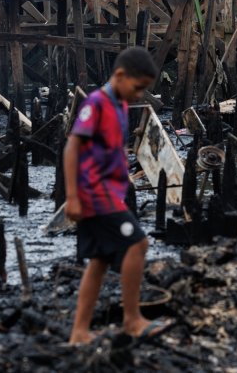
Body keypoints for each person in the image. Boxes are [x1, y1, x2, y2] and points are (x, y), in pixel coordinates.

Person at [64, 46, 170, 346]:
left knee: (98, 261)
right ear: (121, 75)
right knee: (138, 243)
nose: (139, 95)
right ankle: (132, 320)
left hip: (110, 195)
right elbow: (72, 147)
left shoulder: (121, 106)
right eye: (138, 88)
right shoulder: (96, 104)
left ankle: (79, 332)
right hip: (95, 197)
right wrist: (72, 196)